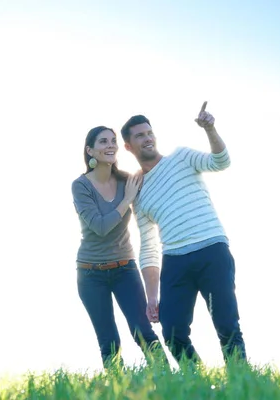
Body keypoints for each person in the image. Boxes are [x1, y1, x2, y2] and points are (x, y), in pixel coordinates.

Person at [120, 102, 247, 365]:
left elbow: (221, 161)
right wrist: (152, 294)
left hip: (211, 249)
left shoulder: (182, 157)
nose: (147, 138)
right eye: (140, 135)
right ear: (128, 147)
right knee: (173, 332)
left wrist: (210, 129)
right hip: (176, 261)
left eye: (149, 132)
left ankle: (241, 383)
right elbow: (148, 246)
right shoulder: (138, 191)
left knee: (227, 326)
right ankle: (197, 385)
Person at [71, 126, 167, 368]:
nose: (110, 145)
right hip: (90, 274)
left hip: (125, 269)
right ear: (90, 150)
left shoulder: (128, 180)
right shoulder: (80, 186)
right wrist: (126, 200)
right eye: (103, 141)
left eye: (113, 141)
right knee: (109, 342)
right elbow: (100, 226)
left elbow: (157, 191)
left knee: (143, 333)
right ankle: (117, 391)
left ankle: (169, 384)